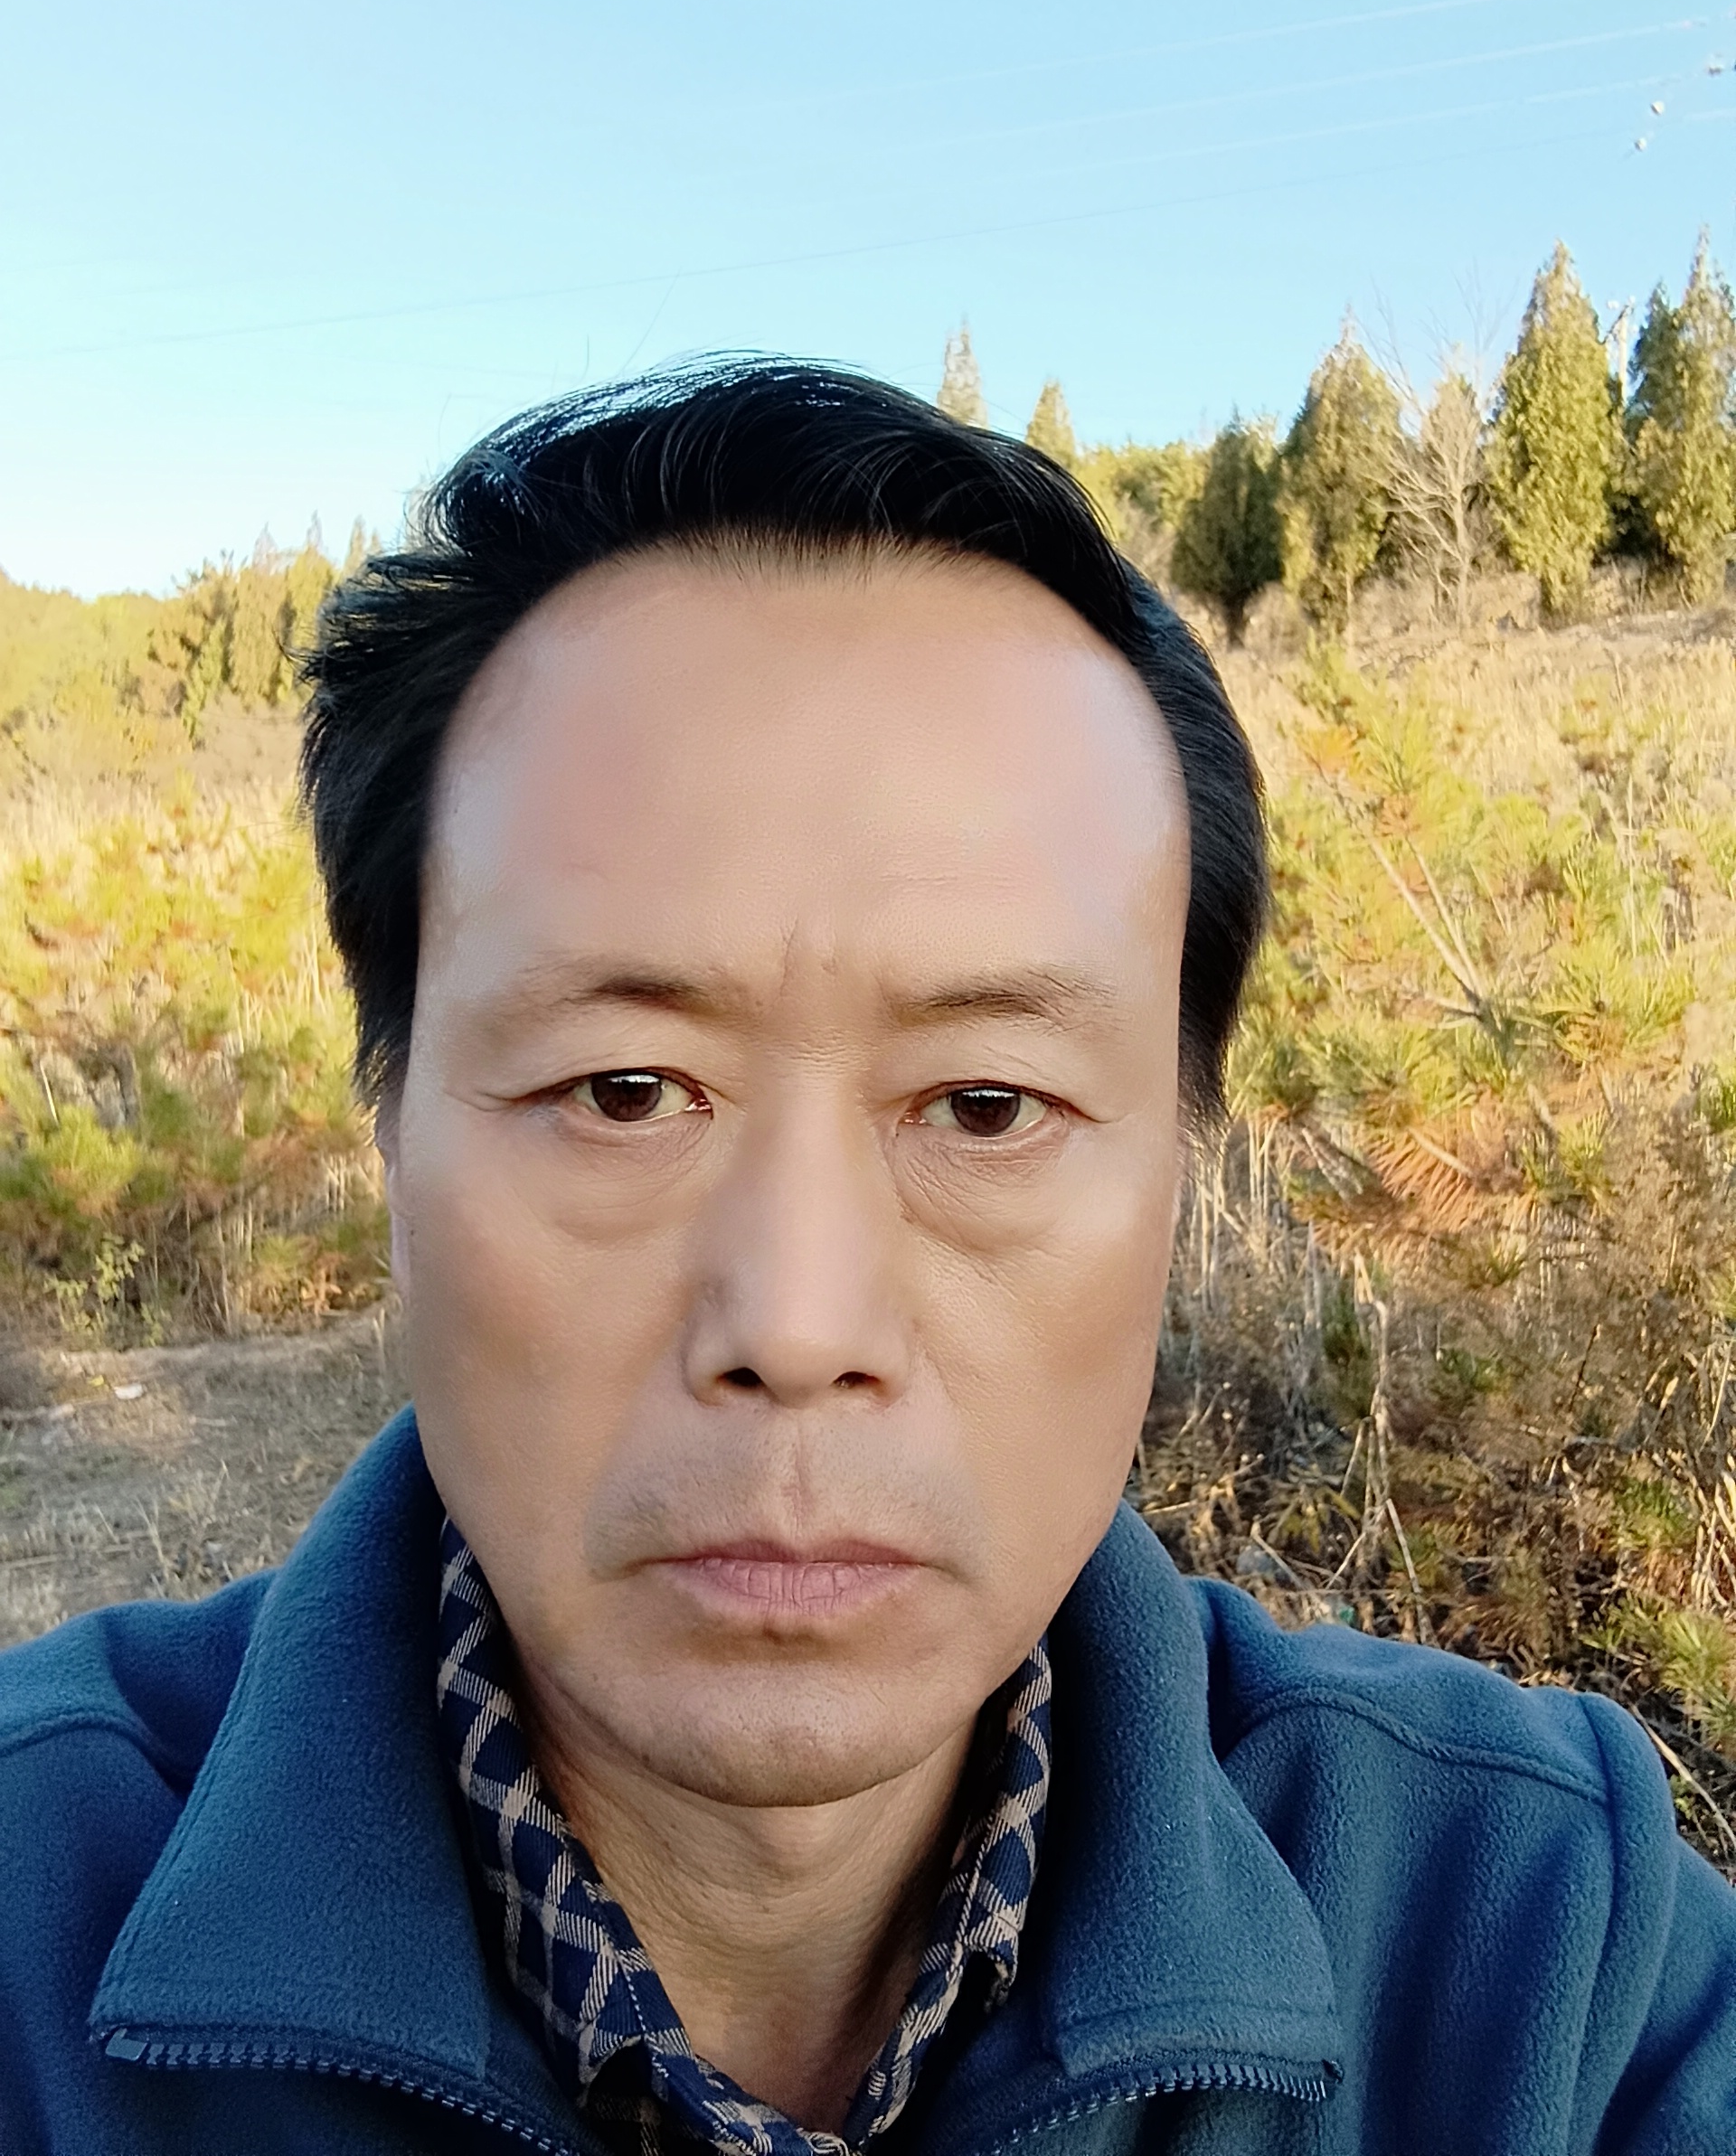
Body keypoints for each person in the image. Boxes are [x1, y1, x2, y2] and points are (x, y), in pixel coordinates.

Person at [1, 360, 1732, 2156]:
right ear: (391, 1121)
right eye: (623, 1090)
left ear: (1180, 1175)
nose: (799, 1320)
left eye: (985, 1105)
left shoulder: (1544, 1956)